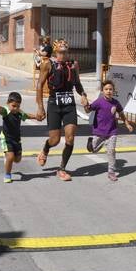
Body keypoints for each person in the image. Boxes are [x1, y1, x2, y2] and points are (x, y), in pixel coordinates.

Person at [36, 39, 89, 182]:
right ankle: (46, 149)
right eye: (60, 52)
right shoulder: (48, 64)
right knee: (54, 140)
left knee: (70, 137)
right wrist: (40, 107)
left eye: (65, 52)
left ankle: (62, 169)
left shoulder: (73, 65)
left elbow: (77, 83)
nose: (63, 55)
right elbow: (40, 85)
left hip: (69, 104)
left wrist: (83, 95)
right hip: (54, 104)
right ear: (55, 52)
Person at [84, 80, 134, 182]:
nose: (108, 91)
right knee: (93, 149)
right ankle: (92, 143)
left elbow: (121, 113)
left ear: (113, 91)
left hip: (112, 131)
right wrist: (85, 105)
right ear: (102, 91)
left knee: (111, 151)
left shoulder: (116, 103)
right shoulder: (99, 102)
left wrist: (127, 124)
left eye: (110, 89)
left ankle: (111, 172)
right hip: (99, 131)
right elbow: (88, 110)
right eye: (106, 89)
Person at [0, 91, 35, 184]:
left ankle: (8, 157)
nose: (16, 108)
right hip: (6, 138)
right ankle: (7, 175)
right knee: (11, 157)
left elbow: (27, 115)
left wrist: (36, 117)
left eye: (18, 106)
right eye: (13, 106)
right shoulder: (5, 111)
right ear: (8, 103)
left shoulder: (19, 113)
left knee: (17, 160)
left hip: (16, 139)